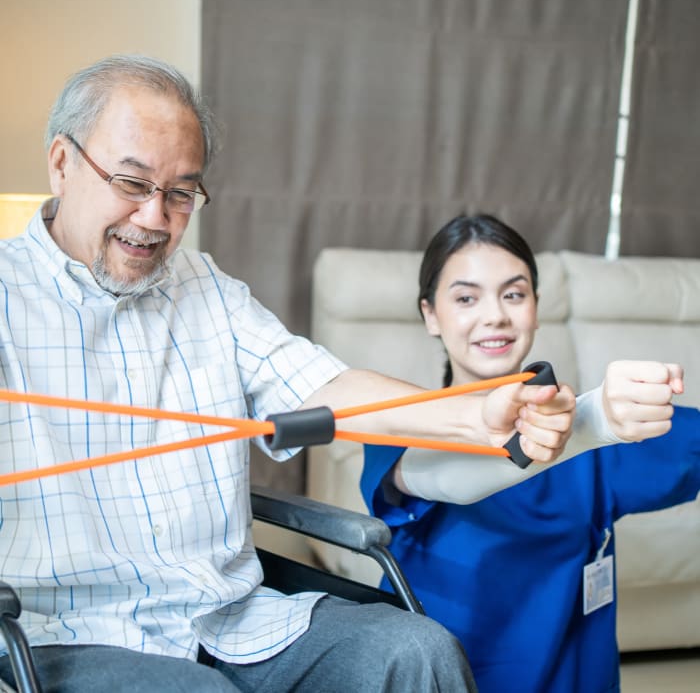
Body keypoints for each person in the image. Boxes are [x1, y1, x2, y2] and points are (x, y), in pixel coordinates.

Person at [0, 56, 580, 692]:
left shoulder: (207, 288)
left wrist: (476, 415)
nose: (155, 219)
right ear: (61, 163)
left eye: (181, 193)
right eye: (132, 184)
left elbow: (324, 389)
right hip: (64, 640)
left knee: (417, 650)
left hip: (231, 622)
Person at [361, 214, 699, 693]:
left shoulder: (598, 442)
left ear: (536, 308)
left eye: (514, 294)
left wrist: (609, 412)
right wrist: (589, 420)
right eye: (465, 298)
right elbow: (440, 476)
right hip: (439, 677)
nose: (495, 315)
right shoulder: (398, 425)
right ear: (430, 315)